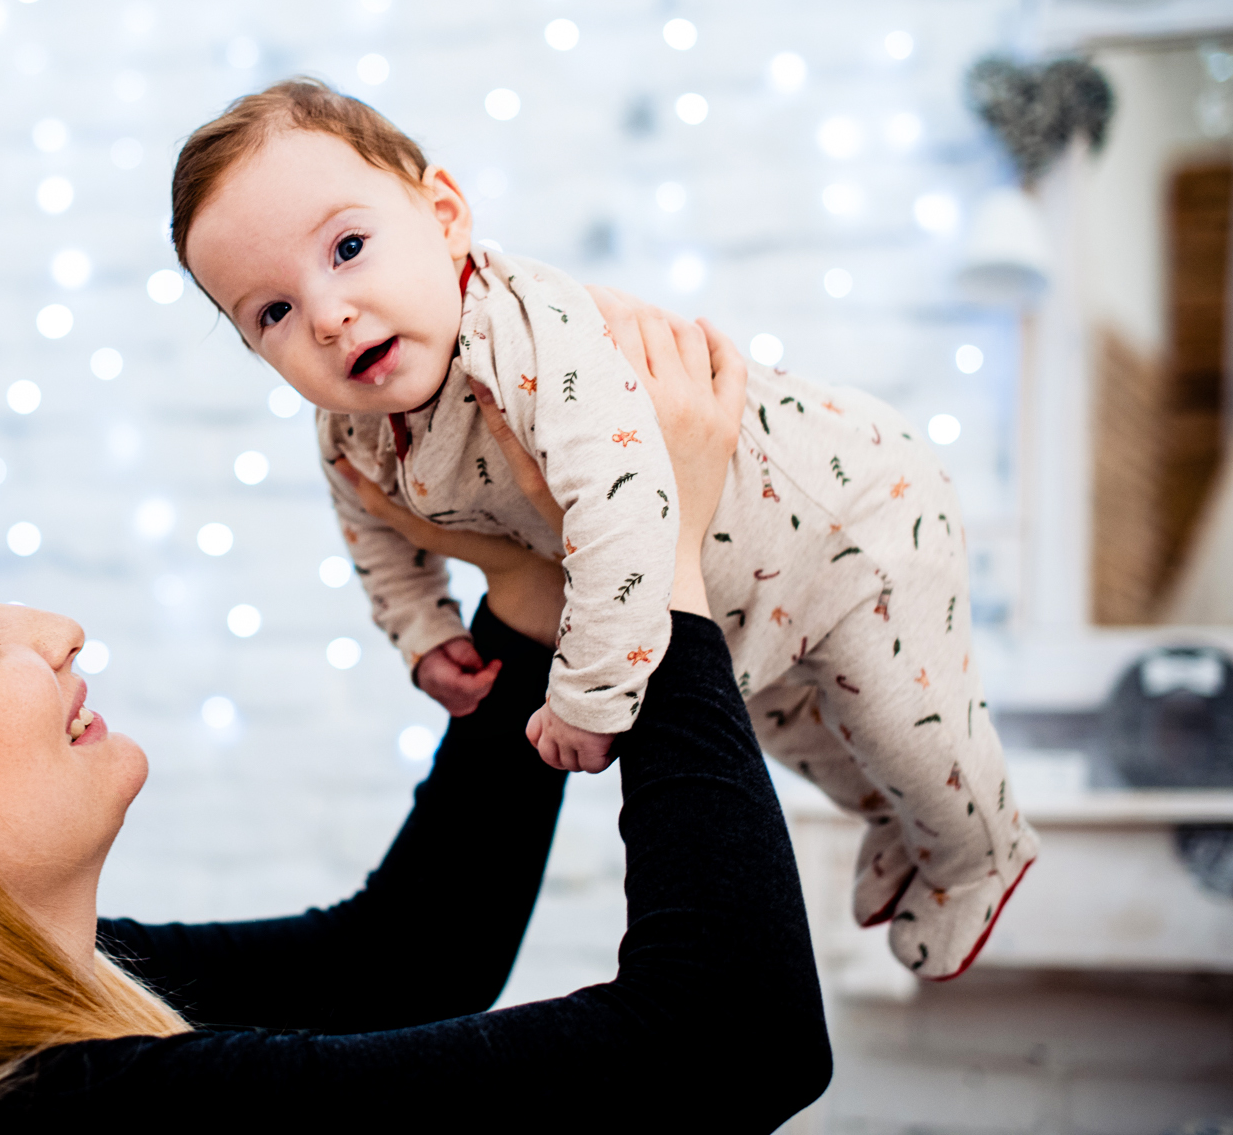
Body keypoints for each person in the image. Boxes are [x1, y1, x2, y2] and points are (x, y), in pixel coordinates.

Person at [0, 293, 831, 1133]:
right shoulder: (56, 1119)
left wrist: (531, 587)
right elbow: (729, 1034)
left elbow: (407, 956)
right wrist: (654, 558)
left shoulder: (46, 1015)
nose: (56, 635)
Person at [171, 76, 1037, 980]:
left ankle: (981, 848)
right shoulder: (348, 429)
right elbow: (375, 536)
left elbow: (622, 509)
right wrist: (422, 630)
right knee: (809, 738)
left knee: (900, 719)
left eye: (347, 247)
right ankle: (903, 822)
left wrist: (587, 694)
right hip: (730, 601)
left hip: (849, 523)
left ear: (443, 215)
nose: (325, 314)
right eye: (271, 312)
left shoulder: (528, 337)